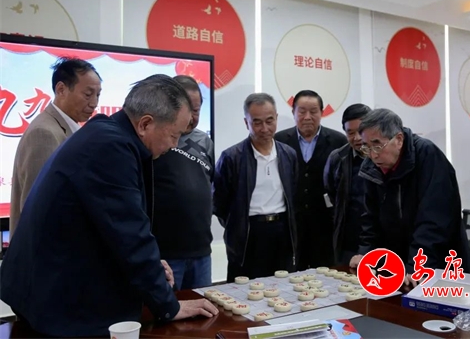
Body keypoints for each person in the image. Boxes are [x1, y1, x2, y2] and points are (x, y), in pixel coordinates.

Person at [0, 75, 218, 337]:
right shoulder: (112, 148)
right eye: (174, 135)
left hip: (49, 283)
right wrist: (169, 306)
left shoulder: (106, 132)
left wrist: (152, 266)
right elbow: (130, 235)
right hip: (54, 296)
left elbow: (107, 228)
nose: (174, 145)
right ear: (145, 124)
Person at [349, 108, 470, 287]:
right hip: (397, 266)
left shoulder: (428, 156)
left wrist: (417, 265)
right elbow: (370, 218)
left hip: (439, 263)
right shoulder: (371, 165)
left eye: (377, 145)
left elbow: (434, 221)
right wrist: (366, 253)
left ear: (399, 139)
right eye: (366, 147)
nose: (373, 155)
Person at [10, 57, 102, 236]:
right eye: (88, 94)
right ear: (61, 89)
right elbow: (39, 209)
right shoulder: (44, 133)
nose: (94, 103)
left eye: (98, 95)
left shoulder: (66, 128)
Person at [214, 93, 298, 282]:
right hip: (248, 234)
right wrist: (237, 224)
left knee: (282, 287)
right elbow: (219, 202)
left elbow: (294, 194)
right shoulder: (232, 157)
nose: (264, 128)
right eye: (257, 122)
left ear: (276, 118)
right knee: (244, 289)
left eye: (269, 121)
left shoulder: (288, 154)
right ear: (247, 123)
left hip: (281, 231)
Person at [152, 75, 215, 289]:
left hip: (201, 250)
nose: (191, 117)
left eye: (196, 110)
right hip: (166, 253)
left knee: (203, 305)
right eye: (187, 110)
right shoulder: (155, 140)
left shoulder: (204, 141)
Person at [274, 90, 346, 269]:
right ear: (293, 112)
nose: (307, 117)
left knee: (325, 275)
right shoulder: (279, 141)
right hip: (291, 226)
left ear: (322, 112)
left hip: (325, 225)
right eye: (302, 111)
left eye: (313, 111)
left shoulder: (338, 141)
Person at [324, 103, 372, 266]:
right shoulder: (337, 158)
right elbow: (330, 192)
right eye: (350, 133)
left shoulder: (384, 156)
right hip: (348, 239)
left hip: (380, 239)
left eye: (360, 131)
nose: (357, 138)